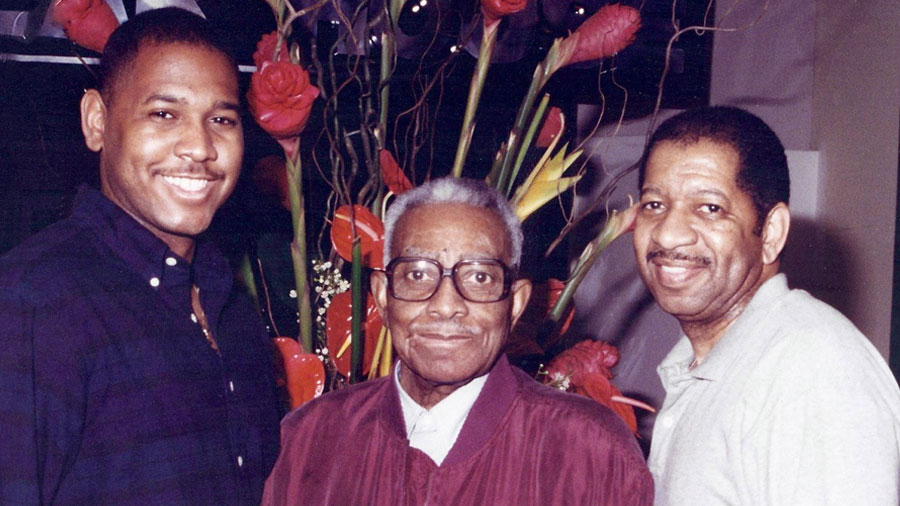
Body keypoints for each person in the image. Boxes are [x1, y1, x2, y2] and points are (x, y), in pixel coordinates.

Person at [0, 8, 281, 504]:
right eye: (163, 114)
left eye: (221, 119)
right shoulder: (34, 303)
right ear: (97, 122)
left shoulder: (231, 307)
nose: (199, 147)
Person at [262, 177, 653, 505]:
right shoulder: (312, 438)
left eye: (480, 277)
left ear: (515, 304)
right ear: (382, 296)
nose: (446, 305)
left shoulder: (589, 450)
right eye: (417, 275)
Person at [633, 106, 900, 505]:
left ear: (771, 233)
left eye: (710, 208)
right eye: (654, 205)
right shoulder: (706, 362)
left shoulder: (810, 367)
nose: (669, 234)